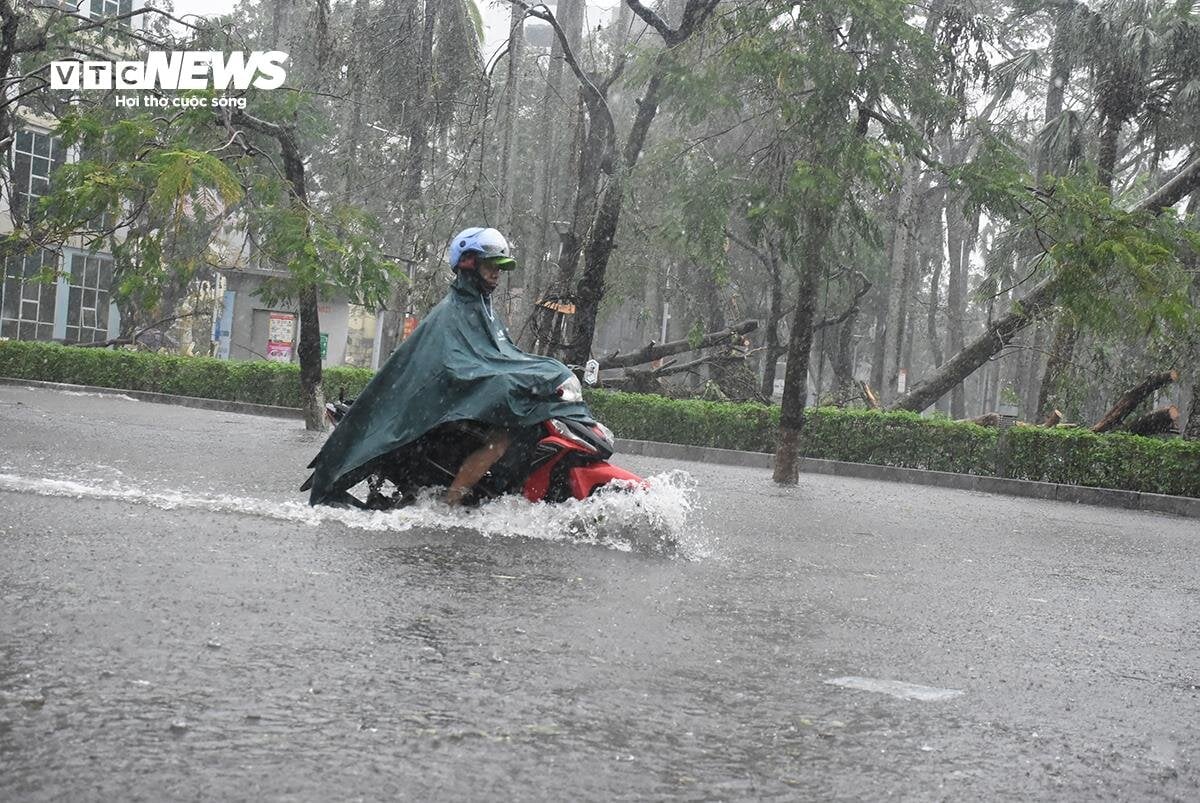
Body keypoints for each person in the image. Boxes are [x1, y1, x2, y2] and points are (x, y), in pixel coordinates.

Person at [300, 225, 591, 509]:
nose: (496, 273)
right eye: (490, 265)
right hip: (443, 408)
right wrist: (511, 382)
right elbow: (459, 366)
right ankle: (450, 503)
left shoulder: (483, 308)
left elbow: (503, 356)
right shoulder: (452, 312)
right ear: (469, 263)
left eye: (500, 267)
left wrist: (543, 371)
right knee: (500, 442)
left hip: (462, 404)